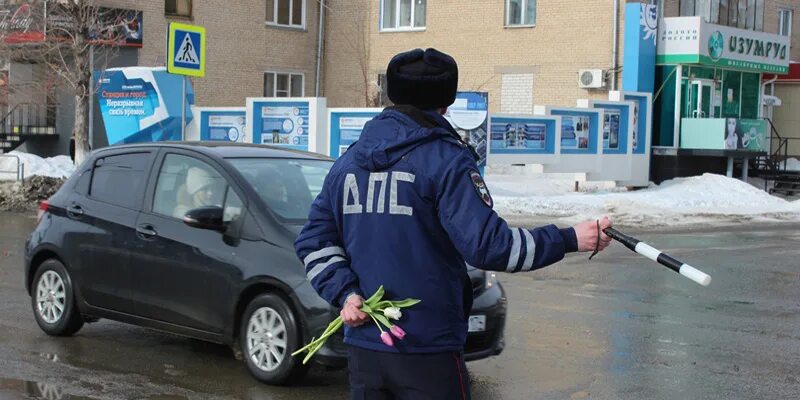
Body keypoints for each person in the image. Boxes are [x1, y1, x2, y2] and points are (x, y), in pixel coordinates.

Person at [295, 48, 612, 400]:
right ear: (446, 103)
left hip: (366, 348)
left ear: (392, 96)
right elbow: (491, 247)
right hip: (427, 348)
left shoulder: (348, 162)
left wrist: (346, 293)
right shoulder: (445, 160)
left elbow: (314, 241)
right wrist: (569, 239)